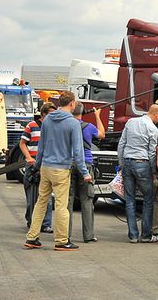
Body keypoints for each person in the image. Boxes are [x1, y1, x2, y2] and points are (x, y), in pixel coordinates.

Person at [25, 91, 92, 251]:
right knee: (62, 205)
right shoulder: (73, 123)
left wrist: (37, 166)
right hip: (61, 169)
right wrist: (84, 172)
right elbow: (78, 151)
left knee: (41, 202)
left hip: (46, 167)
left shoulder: (47, 119)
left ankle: (31, 237)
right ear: (72, 104)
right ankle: (61, 240)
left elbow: (41, 146)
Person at [118, 104, 158, 243]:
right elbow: (151, 152)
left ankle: (132, 235)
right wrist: (153, 171)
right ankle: (146, 235)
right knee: (148, 200)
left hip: (127, 162)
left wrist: (121, 163)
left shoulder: (131, 122)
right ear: (157, 115)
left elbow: (122, 143)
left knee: (130, 200)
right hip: (142, 163)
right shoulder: (152, 128)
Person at [67, 103, 105, 243]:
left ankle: (65, 234)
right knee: (87, 200)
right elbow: (102, 134)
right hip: (86, 164)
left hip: (69, 164)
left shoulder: (67, 125)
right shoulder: (88, 126)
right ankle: (88, 235)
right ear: (82, 112)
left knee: (68, 200)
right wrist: (97, 116)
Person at [20, 102, 56, 233]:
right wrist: (28, 157)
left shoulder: (54, 128)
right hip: (32, 165)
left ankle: (46, 223)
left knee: (47, 196)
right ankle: (31, 220)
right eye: (50, 114)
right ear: (44, 114)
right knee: (31, 196)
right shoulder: (32, 126)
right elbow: (23, 143)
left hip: (46, 166)